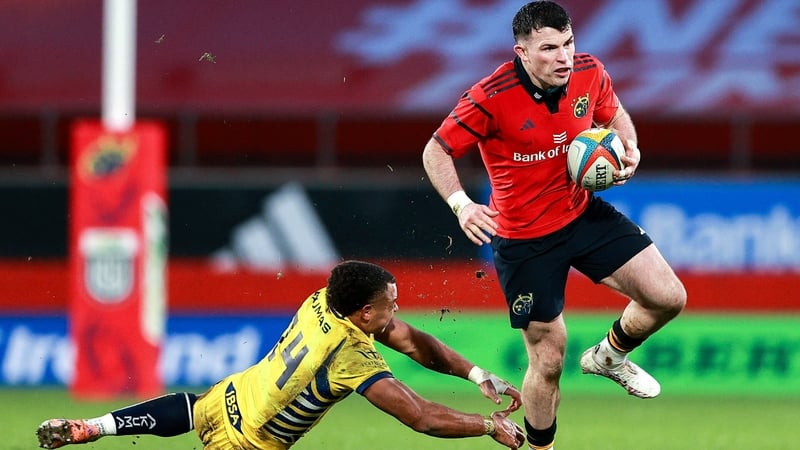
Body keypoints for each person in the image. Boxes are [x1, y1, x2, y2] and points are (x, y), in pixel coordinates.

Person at [421, 2, 687, 449]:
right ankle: (540, 447)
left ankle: (609, 355)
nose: (564, 56)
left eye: (568, 43)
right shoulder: (491, 96)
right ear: (522, 52)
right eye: (549, 48)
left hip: (581, 212)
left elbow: (614, 113)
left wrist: (630, 147)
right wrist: (461, 205)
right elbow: (435, 151)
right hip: (524, 239)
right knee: (548, 358)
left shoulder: (589, 71)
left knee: (668, 297)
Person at [37, 260, 526, 449]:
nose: (396, 310)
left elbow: (408, 338)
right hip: (249, 444)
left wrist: (475, 371)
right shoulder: (349, 353)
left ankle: (92, 428)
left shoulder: (323, 298)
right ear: (361, 314)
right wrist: (487, 425)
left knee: (191, 406)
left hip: (229, 397)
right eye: (388, 305)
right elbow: (419, 417)